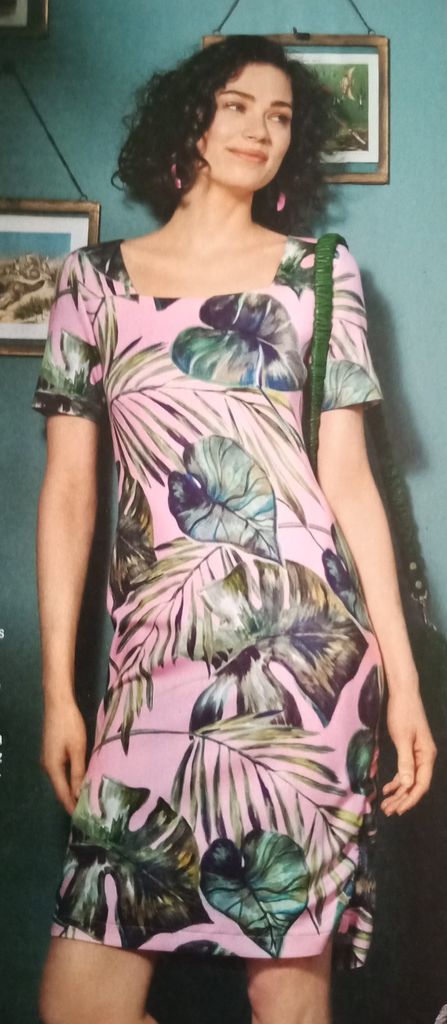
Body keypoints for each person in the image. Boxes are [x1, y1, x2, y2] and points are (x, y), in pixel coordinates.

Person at [32, 34, 436, 1024]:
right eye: (237, 105)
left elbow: (348, 479)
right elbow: (70, 492)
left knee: (288, 1003)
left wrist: (404, 682)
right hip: (150, 669)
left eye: (281, 115)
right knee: (79, 1004)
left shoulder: (318, 276)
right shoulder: (90, 283)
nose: (260, 129)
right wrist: (58, 693)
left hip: (302, 667)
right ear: (192, 120)